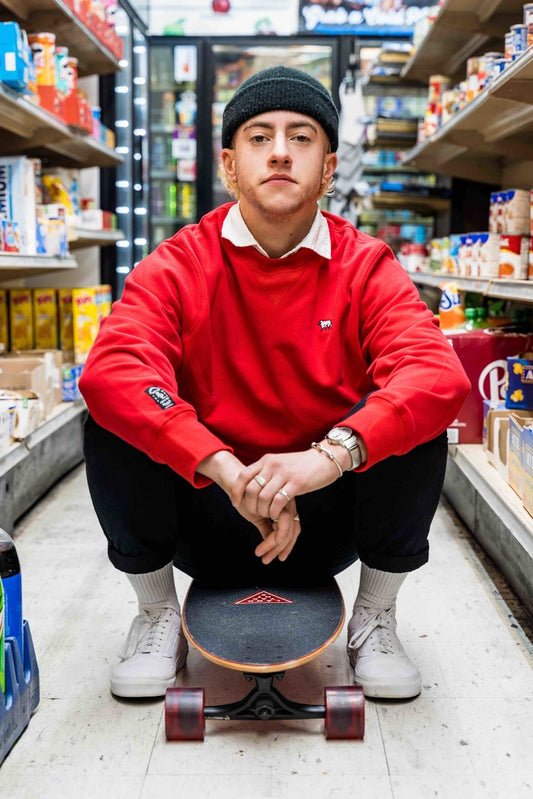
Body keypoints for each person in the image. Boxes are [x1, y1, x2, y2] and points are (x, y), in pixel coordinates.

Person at [80, 66, 470, 701]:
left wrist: (330, 456)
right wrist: (227, 470)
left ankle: (375, 615)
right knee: (111, 414)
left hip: (326, 514)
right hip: (205, 509)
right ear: (230, 167)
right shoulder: (179, 262)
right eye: (260, 138)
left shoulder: (367, 266)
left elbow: (433, 374)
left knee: (414, 418)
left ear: (328, 167)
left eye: (302, 137)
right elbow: (114, 369)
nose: (281, 151)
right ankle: (156, 616)